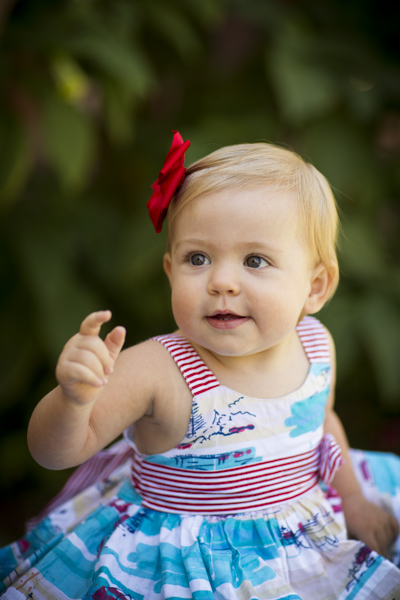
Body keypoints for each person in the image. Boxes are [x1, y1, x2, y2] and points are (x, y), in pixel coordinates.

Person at [1, 132, 400, 599]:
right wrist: (73, 401)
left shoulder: (314, 345)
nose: (222, 281)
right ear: (170, 270)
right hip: (184, 563)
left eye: (255, 260)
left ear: (315, 287)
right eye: (198, 258)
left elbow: (322, 424)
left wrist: (352, 499)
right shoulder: (158, 370)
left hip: (299, 542)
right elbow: (54, 453)